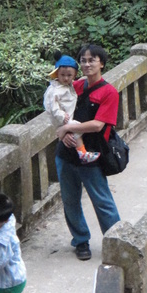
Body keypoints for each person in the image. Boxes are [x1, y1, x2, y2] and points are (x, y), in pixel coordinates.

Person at [55, 44, 121, 261]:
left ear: (101, 63)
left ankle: (117, 241)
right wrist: (63, 130)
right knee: (70, 200)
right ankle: (81, 240)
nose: (86, 64)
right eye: (83, 60)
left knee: (102, 200)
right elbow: (56, 109)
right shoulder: (74, 86)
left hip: (91, 155)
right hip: (66, 153)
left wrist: (68, 128)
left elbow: (98, 125)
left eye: (92, 60)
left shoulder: (108, 92)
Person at [44, 53, 100, 164]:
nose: (65, 78)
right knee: (78, 127)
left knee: (75, 130)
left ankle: (81, 152)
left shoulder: (70, 85)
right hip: (62, 117)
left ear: (74, 75)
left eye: (69, 75)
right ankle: (82, 153)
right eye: (62, 75)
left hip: (67, 116)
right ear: (56, 74)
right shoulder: (54, 90)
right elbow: (52, 106)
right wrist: (61, 116)